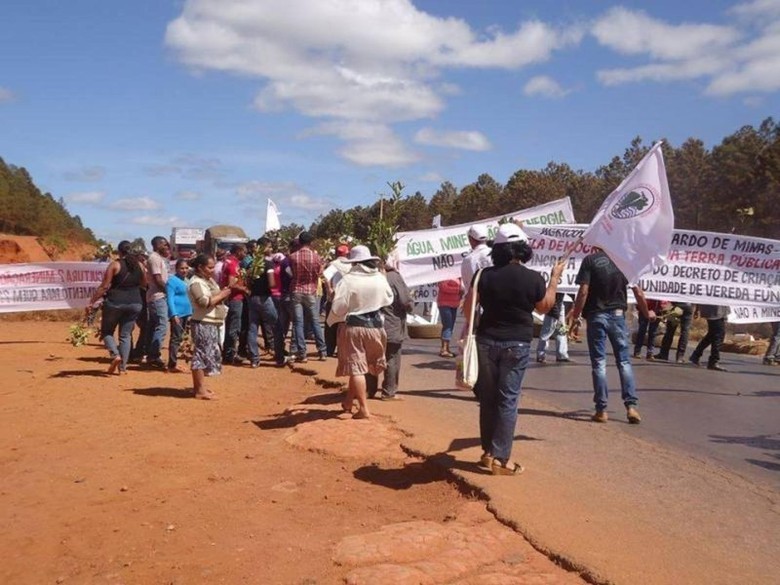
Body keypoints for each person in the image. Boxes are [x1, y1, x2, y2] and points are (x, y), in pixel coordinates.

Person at [463, 223, 565, 476]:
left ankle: (488, 452)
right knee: (508, 400)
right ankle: (500, 458)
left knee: (488, 400)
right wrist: (554, 280)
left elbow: (468, 310)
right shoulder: (533, 278)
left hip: (486, 341)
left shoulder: (482, 275)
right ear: (522, 249)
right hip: (517, 343)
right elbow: (543, 307)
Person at [568, 248, 654, 424]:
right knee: (623, 361)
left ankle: (601, 410)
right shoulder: (625, 260)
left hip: (596, 315)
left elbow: (583, 291)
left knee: (599, 362)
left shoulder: (590, 260)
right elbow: (638, 291)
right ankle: (631, 407)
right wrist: (646, 313)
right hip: (617, 316)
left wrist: (575, 315)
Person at [327, 245, 394, 419]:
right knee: (361, 366)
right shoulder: (379, 277)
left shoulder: (349, 280)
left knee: (356, 368)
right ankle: (349, 402)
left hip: (354, 327)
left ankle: (363, 408)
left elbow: (338, 307)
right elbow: (388, 298)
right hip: (376, 327)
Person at [87, 240, 147, 375]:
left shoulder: (115, 265)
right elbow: (144, 284)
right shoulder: (140, 266)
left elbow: (104, 287)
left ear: (119, 252)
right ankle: (123, 368)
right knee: (125, 335)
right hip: (135, 303)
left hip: (115, 302)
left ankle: (115, 355)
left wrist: (92, 302)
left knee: (107, 332)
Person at [367, 257, 414, 400]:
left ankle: (369, 390)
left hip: (371, 323)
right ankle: (389, 391)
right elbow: (405, 301)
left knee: (372, 356)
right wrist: (411, 305)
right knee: (392, 358)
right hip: (391, 323)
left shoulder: (369, 276)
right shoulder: (393, 277)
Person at [187, 254, 232, 399]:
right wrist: (222, 294)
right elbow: (203, 302)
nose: (212, 270)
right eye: (210, 267)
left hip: (211, 322)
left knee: (206, 353)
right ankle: (200, 390)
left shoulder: (207, 281)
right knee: (201, 354)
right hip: (203, 322)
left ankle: (200, 388)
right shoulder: (196, 283)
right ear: (200, 267)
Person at [289, 231, 327, 362]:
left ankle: (302, 353)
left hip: (296, 290)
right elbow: (319, 273)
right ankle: (322, 351)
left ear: (299, 242)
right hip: (310, 291)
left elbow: (291, 273)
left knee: (298, 323)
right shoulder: (316, 257)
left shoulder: (293, 257)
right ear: (311, 242)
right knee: (315, 321)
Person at [246, 237, 278, 368]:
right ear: (263, 248)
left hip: (252, 298)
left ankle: (254, 359)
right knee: (276, 326)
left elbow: (247, 282)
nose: (270, 249)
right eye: (269, 247)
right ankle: (280, 356)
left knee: (252, 328)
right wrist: (275, 283)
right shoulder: (268, 264)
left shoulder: (250, 265)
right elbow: (271, 284)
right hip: (265, 299)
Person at [221, 243, 249, 365]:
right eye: (244, 252)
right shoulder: (233, 264)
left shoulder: (228, 261)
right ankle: (229, 355)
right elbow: (231, 284)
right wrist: (245, 289)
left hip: (231, 298)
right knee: (234, 327)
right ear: (238, 251)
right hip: (235, 298)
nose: (245, 254)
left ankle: (228, 353)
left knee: (231, 326)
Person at [146, 235, 172, 369]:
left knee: (154, 325)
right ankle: (154, 355)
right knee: (162, 325)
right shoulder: (154, 258)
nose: (166, 246)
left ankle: (150, 354)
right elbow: (158, 279)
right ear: (156, 245)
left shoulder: (159, 258)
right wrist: (170, 291)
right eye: (164, 244)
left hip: (159, 296)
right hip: (157, 296)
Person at [323, 244, 352, 357]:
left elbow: (326, 277)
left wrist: (329, 290)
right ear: (347, 253)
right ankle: (342, 350)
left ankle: (329, 349)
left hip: (335, 296)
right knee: (344, 324)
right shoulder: (351, 264)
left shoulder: (333, 264)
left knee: (331, 324)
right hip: (347, 297)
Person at [166, 258, 193, 373]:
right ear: (176, 269)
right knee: (176, 338)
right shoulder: (172, 281)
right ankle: (172, 364)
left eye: (186, 268)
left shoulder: (188, 281)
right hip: (178, 314)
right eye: (182, 268)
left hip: (188, 314)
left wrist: (192, 313)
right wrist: (174, 314)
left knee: (186, 339)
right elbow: (170, 298)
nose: (184, 270)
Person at [689, 304, 729, 371]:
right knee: (718, 335)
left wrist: (697, 309)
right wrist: (697, 309)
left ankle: (696, 355)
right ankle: (713, 361)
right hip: (715, 310)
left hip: (716, 310)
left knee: (712, 334)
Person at [536, 292, 571, 364]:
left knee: (561, 331)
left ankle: (562, 354)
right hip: (552, 304)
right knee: (547, 330)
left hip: (559, 303)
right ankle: (541, 354)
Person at [461, 224, 492, 297]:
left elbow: (468, 285)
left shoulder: (468, 260)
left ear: (470, 239)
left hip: (477, 302)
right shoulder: (496, 254)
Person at [437, 278, 461, 358]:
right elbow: (443, 287)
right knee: (447, 326)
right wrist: (458, 290)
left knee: (450, 327)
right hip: (444, 304)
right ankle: (444, 349)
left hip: (454, 304)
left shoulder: (458, 277)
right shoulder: (445, 275)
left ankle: (446, 348)